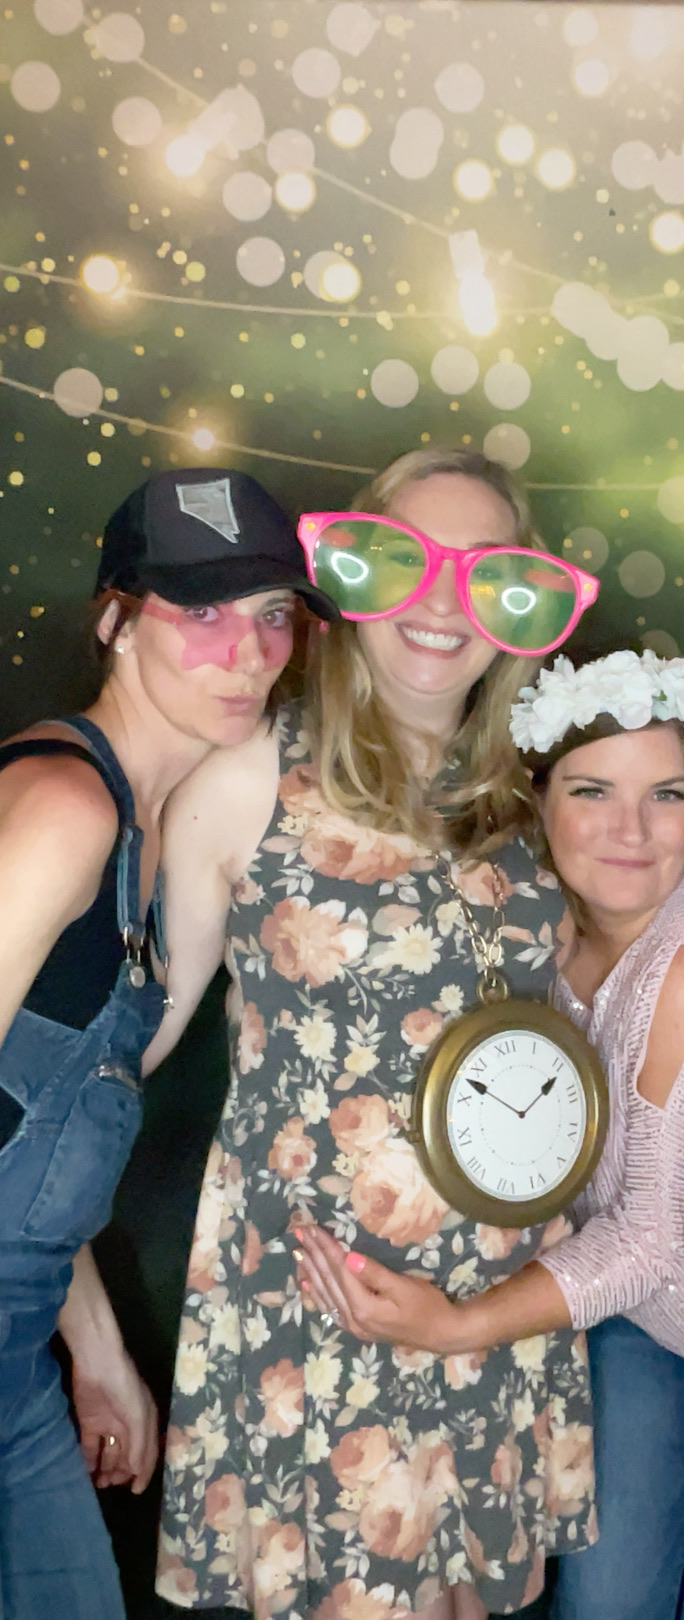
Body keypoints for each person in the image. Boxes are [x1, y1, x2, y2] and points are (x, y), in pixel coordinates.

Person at [294, 646, 684, 1620]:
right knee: (603, 1606)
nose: (632, 831)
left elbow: (652, 1236)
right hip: (656, 1325)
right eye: (593, 791)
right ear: (537, 800)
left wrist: (456, 1325)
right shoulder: (539, 928)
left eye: (666, 795)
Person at [148, 448, 601, 1619]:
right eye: (408, 560)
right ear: (353, 571)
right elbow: (129, 1040)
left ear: (519, 606)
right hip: (323, 1302)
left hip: (494, 1294)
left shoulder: (532, 798)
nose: (442, 602)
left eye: (483, 572)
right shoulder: (250, 776)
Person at [0, 466, 335, 1620]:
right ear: (115, 622)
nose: (247, 652)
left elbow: (23, 1140)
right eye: (199, 611)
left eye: (273, 614)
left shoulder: (148, 834)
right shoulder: (66, 811)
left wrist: (90, 1341)